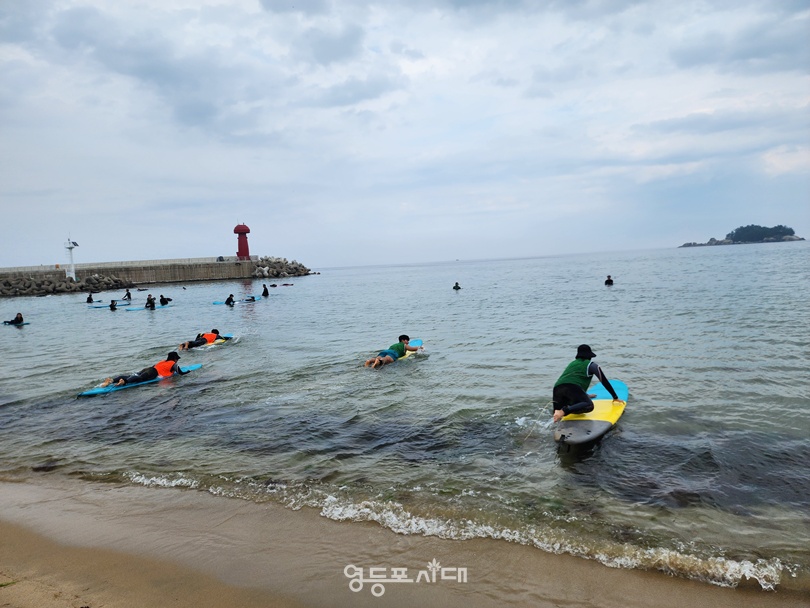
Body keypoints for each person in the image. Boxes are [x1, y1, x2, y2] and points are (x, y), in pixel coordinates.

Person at [551, 345, 621, 422]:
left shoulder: (572, 364)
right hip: (571, 387)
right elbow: (604, 381)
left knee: (556, 418)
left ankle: (559, 412)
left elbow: (570, 381)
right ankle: (563, 411)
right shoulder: (592, 365)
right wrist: (615, 397)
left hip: (557, 389)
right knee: (589, 405)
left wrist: (585, 395)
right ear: (589, 356)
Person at [101, 352, 188, 387]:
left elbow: (154, 366)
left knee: (134, 375)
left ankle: (112, 380)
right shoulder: (173, 364)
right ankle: (124, 382)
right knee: (140, 379)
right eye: (177, 358)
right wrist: (189, 371)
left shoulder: (163, 361)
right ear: (174, 358)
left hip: (149, 369)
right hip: (153, 372)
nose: (177, 360)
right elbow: (181, 373)